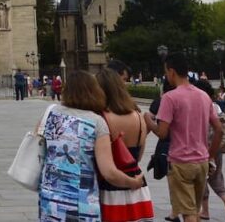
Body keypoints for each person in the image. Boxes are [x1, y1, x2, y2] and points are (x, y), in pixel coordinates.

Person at [36, 70, 145, 221]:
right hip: (81, 204)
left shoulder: (50, 114)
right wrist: (133, 182)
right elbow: (109, 172)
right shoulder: (96, 122)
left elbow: (38, 145)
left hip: (50, 201)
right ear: (94, 91)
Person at [143, 53, 223, 222]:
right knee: (194, 209)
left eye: (166, 72)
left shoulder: (170, 98)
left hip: (180, 162)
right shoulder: (203, 96)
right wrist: (211, 155)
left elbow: (162, 133)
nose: (166, 76)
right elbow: (219, 129)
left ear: (171, 71)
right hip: (201, 161)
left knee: (188, 214)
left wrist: (147, 121)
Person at [94, 68, 154, 222]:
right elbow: (138, 156)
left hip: (108, 189)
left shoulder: (100, 119)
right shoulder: (139, 117)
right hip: (138, 187)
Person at [194, 79, 225, 222]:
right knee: (217, 176)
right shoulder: (216, 106)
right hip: (217, 146)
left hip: (203, 146)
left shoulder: (199, 105)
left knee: (202, 178)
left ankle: (205, 211)